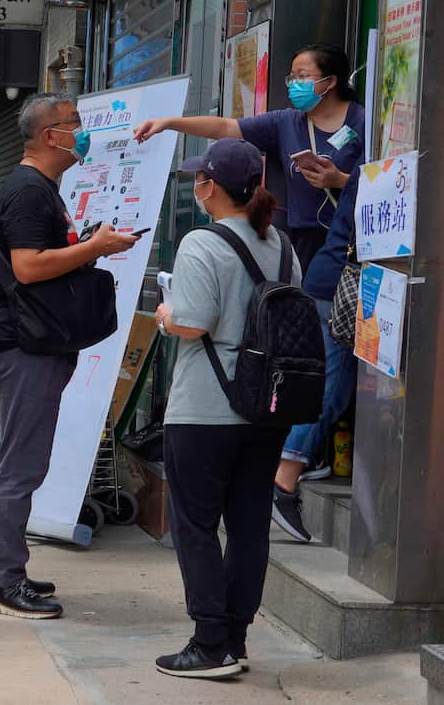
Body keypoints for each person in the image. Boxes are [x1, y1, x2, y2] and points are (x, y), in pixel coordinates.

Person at [0, 92, 139, 620]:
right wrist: (94, 250)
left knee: (16, 458)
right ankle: (3, 580)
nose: (82, 133)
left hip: (35, 341)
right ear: (51, 136)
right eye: (75, 124)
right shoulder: (28, 191)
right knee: (20, 465)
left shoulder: (39, 189)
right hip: (25, 345)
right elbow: (27, 267)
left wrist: (90, 244)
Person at [152, 138, 300, 678]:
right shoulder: (281, 245)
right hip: (266, 409)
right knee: (248, 525)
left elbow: (193, 322)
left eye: (200, 178)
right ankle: (234, 637)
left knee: (194, 525)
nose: (197, 184)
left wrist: (166, 313)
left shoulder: (201, 243)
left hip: (205, 410)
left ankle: (208, 642)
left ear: (210, 187)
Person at [134, 43, 364, 272]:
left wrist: (341, 181)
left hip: (351, 237)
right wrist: (168, 123)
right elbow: (224, 127)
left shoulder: (364, 122)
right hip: (303, 240)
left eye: (302, 77)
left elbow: (385, 181)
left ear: (330, 81)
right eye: (291, 78)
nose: (294, 85)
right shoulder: (286, 122)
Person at [271, 172, 360, 541]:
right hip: (340, 287)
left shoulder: (368, 169)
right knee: (329, 387)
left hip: (332, 280)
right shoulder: (388, 170)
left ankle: (297, 462)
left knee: (333, 388)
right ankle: (283, 481)